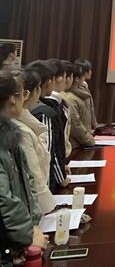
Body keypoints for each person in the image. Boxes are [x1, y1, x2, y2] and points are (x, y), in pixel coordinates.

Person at [0, 70, 49, 264]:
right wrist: (29, 233)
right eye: (23, 94)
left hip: (16, 239)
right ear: (13, 99)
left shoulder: (10, 135)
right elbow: (3, 199)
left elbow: (28, 183)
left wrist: (33, 225)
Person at [13, 68, 55, 215]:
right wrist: (49, 210)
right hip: (29, 210)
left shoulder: (25, 120)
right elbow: (33, 177)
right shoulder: (20, 131)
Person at [27, 60, 69, 191]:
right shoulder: (44, 111)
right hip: (43, 185)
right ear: (50, 81)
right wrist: (60, 178)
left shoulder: (38, 107)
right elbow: (48, 153)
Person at [63, 63, 95, 150]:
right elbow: (75, 124)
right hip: (74, 145)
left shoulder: (83, 92)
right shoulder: (69, 97)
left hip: (82, 142)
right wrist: (88, 139)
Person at [73, 59, 97, 129]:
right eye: (89, 70)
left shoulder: (84, 85)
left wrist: (94, 122)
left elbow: (90, 106)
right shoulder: (73, 87)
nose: (90, 72)